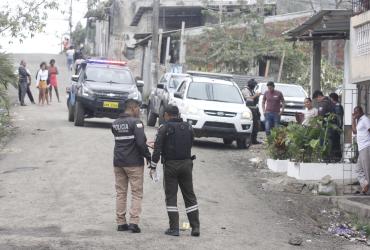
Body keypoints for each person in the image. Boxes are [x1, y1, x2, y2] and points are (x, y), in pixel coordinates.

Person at [151, 105, 200, 237]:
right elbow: (191, 142)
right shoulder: (188, 127)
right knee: (189, 196)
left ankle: (174, 228)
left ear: (167, 114)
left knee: (171, 197)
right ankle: (195, 227)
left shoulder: (164, 128)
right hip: (186, 164)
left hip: (171, 166)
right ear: (177, 114)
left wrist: (153, 166)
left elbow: (157, 149)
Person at [111, 99, 151, 233]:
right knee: (136, 193)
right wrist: (148, 156)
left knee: (121, 193)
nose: (139, 111)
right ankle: (134, 223)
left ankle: (121, 223)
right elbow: (140, 143)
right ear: (133, 108)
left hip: (118, 163)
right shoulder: (136, 123)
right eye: (138, 108)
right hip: (134, 163)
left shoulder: (115, 123)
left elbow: (127, 140)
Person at [352, 106, 370, 194]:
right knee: (358, 169)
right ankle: (365, 184)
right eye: (355, 113)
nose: (356, 114)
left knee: (367, 169)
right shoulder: (359, 121)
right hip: (361, 148)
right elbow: (354, 131)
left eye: (357, 112)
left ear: (361, 111)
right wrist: (353, 119)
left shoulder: (365, 119)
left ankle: (368, 189)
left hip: (366, 146)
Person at [241, 79, 261, 144]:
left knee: (256, 125)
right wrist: (256, 95)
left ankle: (254, 140)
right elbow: (248, 98)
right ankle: (248, 140)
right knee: (249, 125)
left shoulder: (252, 90)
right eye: (253, 85)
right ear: (250, 84)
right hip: (248, 109)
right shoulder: (245, 90)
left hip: (254, 109)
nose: (254, 86)